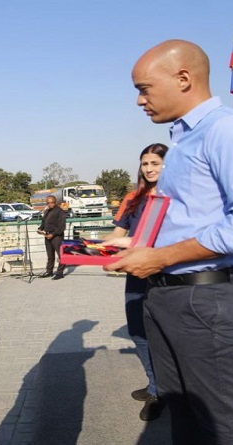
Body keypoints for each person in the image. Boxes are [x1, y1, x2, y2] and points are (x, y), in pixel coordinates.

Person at [104, 40, 233, 444]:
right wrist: (137, 245)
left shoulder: (229, 128)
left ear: (183, 79)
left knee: (223, 423)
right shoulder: (185, 139)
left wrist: (161, 256)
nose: (139, 101)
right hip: (166, 295)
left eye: (144, 88)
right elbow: (188, 217)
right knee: (183, 412)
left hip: (202, 299)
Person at [105, 143, 168, 421]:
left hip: (168, 275)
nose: (150, 168)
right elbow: (116, 234)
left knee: (165, 335)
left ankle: (163, 389)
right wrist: (87, 250)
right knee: (138, 332)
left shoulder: (178, 196)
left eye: (156, 163)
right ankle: (155, 384)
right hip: (136, 275)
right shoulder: (134, 198)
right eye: (145, 164)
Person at [38, 195, 67, 280]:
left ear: (55, 202)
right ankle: (49, 271)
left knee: (61, 255)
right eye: (48, 203)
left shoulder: (60, 211)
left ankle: (59, 273)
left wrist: (53, 234)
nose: (50, 204)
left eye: (52, 203)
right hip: (47, 235)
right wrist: (40, 229)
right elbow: (44, 222)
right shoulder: (47, 211)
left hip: (56, 236)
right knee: (50, 255)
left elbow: (62, 227)